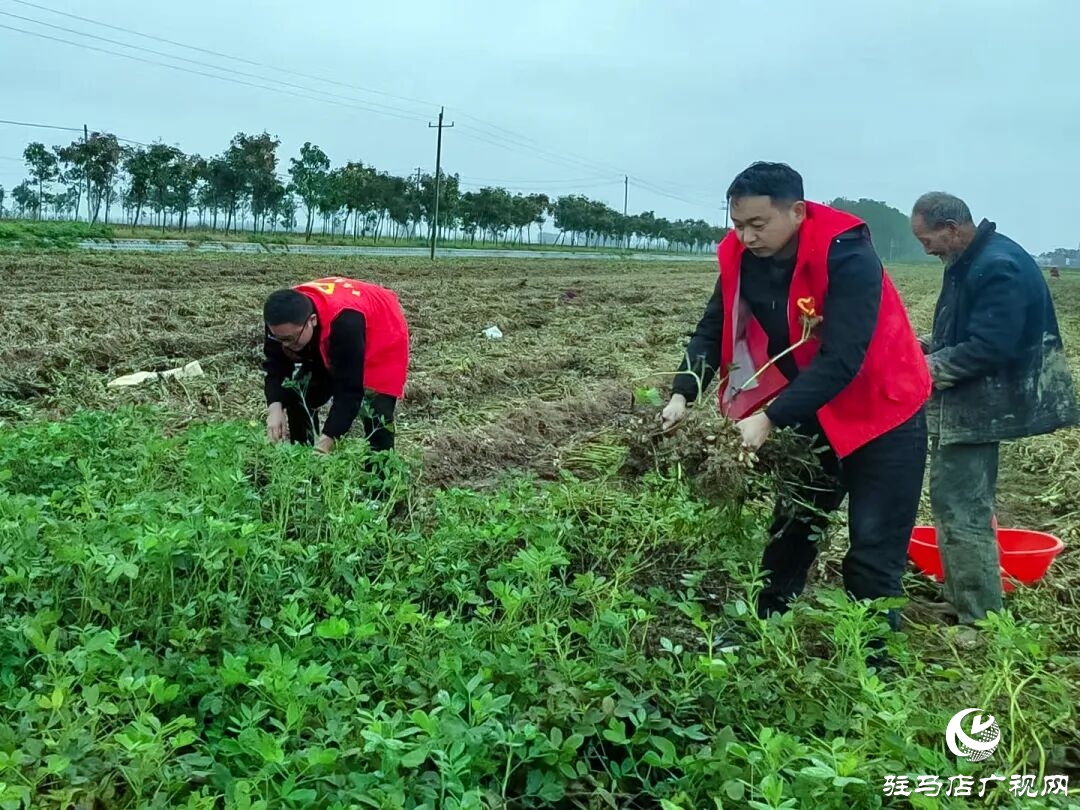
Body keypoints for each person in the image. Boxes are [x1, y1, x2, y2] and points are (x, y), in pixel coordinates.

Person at [660, 161, 931, 633]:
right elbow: (713, 327)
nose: (746, 237)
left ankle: (875, 661)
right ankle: (766, 626)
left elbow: (844, 356)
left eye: (757, 225)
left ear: (798, 212)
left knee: (873, 546)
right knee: (793, 526)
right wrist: (684, 393)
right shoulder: (742, 258)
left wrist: (769, 418)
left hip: (884, 412)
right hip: (812, 405)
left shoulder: (846, 254)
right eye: (738, 224)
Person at [911, 192, 1078, 636]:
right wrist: (927, 344)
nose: (924, 248)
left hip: (982, 405)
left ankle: (979, 618)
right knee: (954, 501)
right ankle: (963, 598)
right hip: (974, 400)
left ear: (951, 228)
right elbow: (970, 330)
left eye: (927, 238)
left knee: (961, 505)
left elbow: (990, 347)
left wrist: (923, 371)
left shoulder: (997, 266)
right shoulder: (974, 259)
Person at [262, 275, 409, 457]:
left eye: (289, 339)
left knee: (377, 414)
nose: (284, 345)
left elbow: (349, 391)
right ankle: (302, 459)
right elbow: (275, 365)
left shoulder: (345, 323)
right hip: (334, 321)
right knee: (300, 394)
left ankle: (379, 480)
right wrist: (274, 408)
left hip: (383, 327)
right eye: (279, 339)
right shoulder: (281, 318)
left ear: (312, 321)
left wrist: (326, 442)